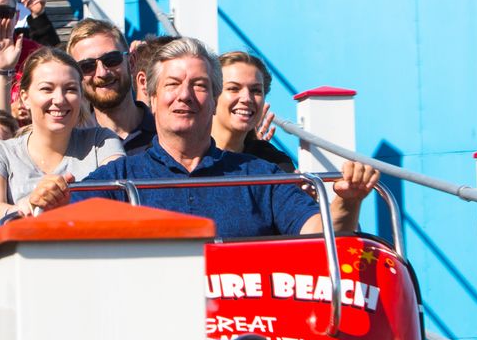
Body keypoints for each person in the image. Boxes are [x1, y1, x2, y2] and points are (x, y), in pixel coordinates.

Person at [77, 37, 380, 238]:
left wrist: (348, 202)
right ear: (153, 99)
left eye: (198, 85)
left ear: (213, 100)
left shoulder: (262, 177)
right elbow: (58, 226)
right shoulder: (117, 178)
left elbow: (321, 237)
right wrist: (45, 198)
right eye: (172, 84)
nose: (184, 95)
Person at [0, 49, 125, 228]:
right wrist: (31, 206)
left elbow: (118, 196)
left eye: (70, 89)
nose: (59, 99)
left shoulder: (102, 142)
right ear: (24, 97)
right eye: (47, 89)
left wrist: (67, 200)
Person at [67, 18, 151, 151]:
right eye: (87, 66)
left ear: (132, 62)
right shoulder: (72, 147)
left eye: (111, 59)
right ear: (76, 76)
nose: (102, 73)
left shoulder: (168, 132)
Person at [213, 51, 293, 171]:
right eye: (233, 88)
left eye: (256, 90)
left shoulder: (273, 162)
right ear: (211, 96)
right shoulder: (186, 157)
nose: (247, 98)